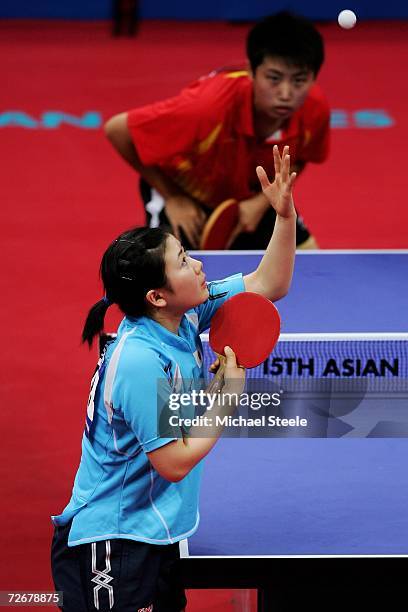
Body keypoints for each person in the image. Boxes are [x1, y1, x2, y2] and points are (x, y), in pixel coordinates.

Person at [51, 146, 296, 611]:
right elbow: (175, 461)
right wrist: (226, 399)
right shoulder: (140, 361)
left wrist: (284, 216)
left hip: (151, 528)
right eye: (184, 260)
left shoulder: (182, 317)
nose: (200, 264)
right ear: (156, 295)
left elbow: (271, 285)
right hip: (112, 542)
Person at [104, 11, 329, 250]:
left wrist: (259, 203)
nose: (286, 93)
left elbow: (300, 159)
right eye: (274, 78)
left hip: (248, 191)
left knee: (308, 261)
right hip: (186, 187)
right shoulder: (206, 108)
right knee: (168, 271)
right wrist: (174, 197)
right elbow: (117, 130)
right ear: (251, 70)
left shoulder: (314, 108)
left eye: (299, 81)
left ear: (314, 77)